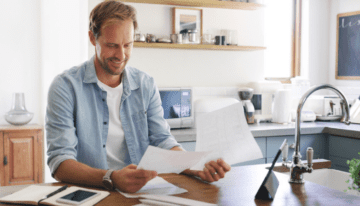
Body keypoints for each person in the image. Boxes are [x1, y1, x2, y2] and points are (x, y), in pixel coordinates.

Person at [46, 0, 231, 193]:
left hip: (140, 193)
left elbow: (162, 141)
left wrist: (197, 166)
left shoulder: (145, 84)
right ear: (93, 38)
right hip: (90, 193)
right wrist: (112, 178)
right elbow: (60, 162)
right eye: (112, 45)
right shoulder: (65, 87)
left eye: (128, 45)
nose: (121, 55)